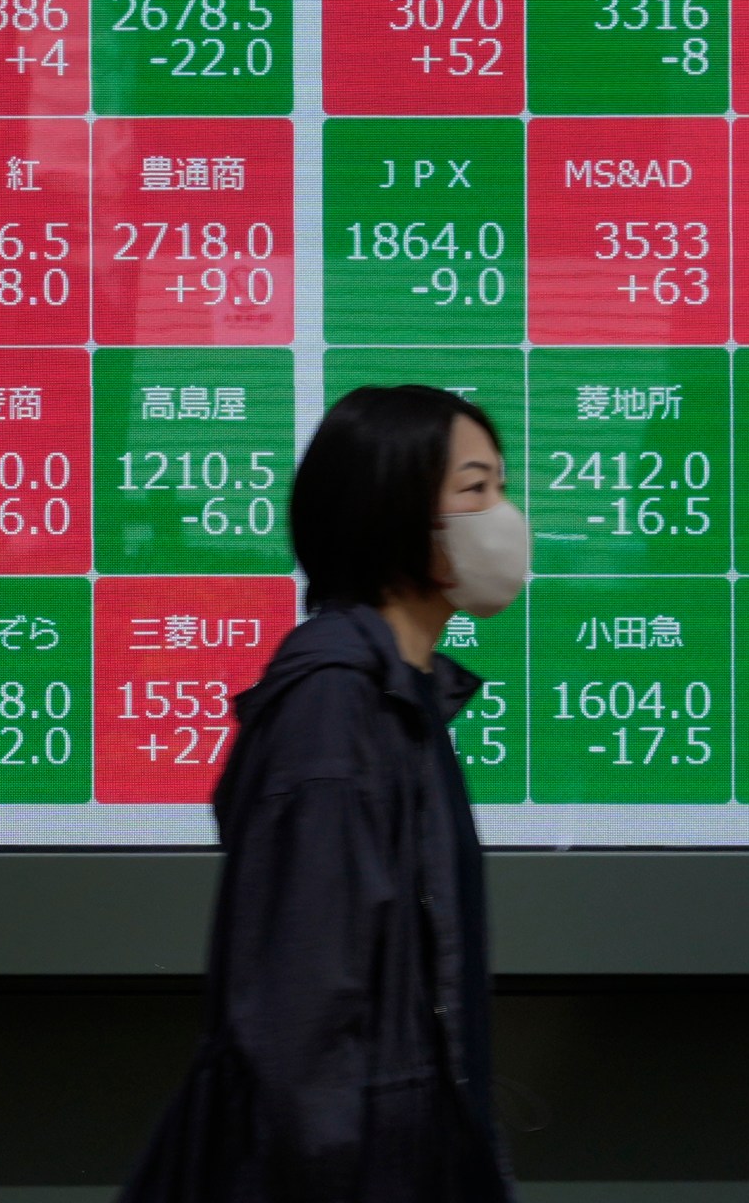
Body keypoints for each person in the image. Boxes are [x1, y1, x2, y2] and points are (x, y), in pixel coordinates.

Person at [123, 385, 528, 1203]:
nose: (504, 516)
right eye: (475, 488)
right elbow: (299, 1021)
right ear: (393, 509)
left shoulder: (401, 696)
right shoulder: (333, 711)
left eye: (499, 487)